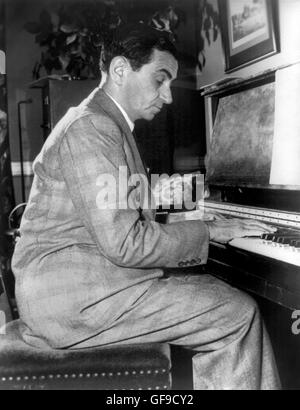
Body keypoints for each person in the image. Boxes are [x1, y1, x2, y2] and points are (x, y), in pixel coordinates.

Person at [12, 24, 280, 390]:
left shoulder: (101, 121)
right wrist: (209, 230)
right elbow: (125, 243)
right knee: (236, 313)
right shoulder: (93, 127)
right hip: (76, 303)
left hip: (79, 289)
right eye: (160, 80)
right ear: (121, 70)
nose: (168, 97)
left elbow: (112, 198)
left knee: (206, 290)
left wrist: (177, 198)